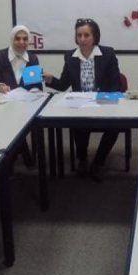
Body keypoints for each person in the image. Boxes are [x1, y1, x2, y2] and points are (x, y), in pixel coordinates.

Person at [43, 19, 121, 181]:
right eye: (79, 35)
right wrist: (50, 79)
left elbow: (116, 83)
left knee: (114, 127)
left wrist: (104, 99)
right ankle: (83, 159)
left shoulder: (107, 54)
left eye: (86, 35)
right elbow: (63, 85)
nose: (82, 39)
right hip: (80, 105)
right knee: (78, 124)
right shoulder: (70, 56)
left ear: (95, 37)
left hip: (102, 103)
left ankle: (98, 162)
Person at [0, 25, 42, 93]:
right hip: (4, 98)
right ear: (12, 40)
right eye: (17, 39)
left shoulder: (32, 59)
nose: (21, 42)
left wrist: (33, 92)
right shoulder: (0, 57)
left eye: (25, 39)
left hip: (26, 99)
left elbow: (36, 86)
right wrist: (0, 86)